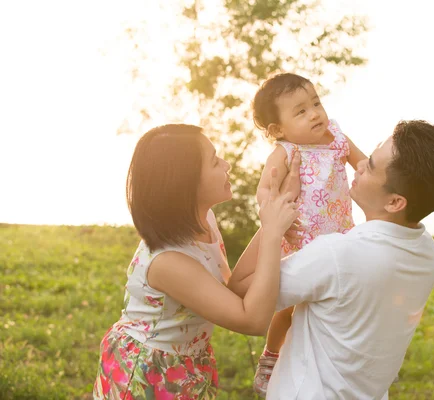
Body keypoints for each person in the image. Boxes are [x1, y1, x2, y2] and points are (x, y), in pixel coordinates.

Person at [229, 120, 434, 399]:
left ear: (395, 202)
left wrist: (276, 216)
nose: (359, 164)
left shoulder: (338, 255)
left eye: (372, 166)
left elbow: (240, 288)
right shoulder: (426, 250)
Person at [93, 124, 300, 399]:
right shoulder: (169, 261)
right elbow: (252, 321)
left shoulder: (202, 221)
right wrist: (272, 234)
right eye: (215, 161)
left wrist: (270, 216)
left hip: (186, 361)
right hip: (151, 372)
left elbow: (232, 289)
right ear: (185, 182)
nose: (226, 165)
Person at [250, 72, 367, 396]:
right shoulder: (286, 151)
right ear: (278, 129)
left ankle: (352, 359)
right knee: (289, 308)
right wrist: (273, 208)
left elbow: (364, 166)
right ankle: (271, 358)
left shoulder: (338, 138)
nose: (315, 113)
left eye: (315, 103)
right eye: (300, 111)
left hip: (343, 236)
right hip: (302, 241)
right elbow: (264, 191)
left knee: (342, 302)